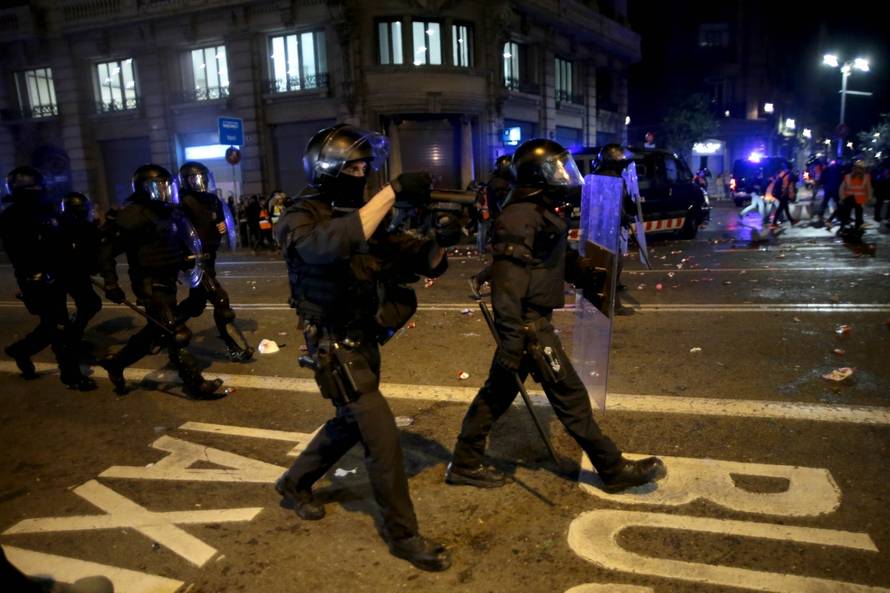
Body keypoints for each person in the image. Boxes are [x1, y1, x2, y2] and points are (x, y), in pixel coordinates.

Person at [274, 124, 458, 571]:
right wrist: (391, 193)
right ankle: (403, 535)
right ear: (328, 169)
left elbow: (413, 257)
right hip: (333, 344)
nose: (361, 174)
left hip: (364, 336)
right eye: (352, 166)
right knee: (380, 436)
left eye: (365, 167)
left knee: (347, 424)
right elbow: (327, 245)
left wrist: (438, 240)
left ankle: (294, 483)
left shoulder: (363, 215)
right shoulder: (299, 217)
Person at [445, 138, 666, 493]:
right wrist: (513, 342)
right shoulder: (520, 217)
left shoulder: (539, 213)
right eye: (556, 169)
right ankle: (611, 469)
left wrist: (583, 273)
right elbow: (508, 286)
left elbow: (549, 260)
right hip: (529, 325)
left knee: (495, 395)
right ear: (537, 175)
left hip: (529, 323)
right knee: (571, 397)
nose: (564, 176)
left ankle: (465, 461)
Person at [97, 164, 225, 399]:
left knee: (156, 331)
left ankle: (116, 363)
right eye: (158, 187)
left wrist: (188, 260)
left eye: (167, 186)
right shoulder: (132, 216)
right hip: (148, 281)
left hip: (167, 279)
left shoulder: (169, 211)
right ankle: (195, 384)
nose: (164, 192)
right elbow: (105, 251)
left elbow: (174, 242)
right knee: (176, 331)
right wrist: (111, 283)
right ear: (144, 189)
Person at [1, 167, 96, 390]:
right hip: (38, 280)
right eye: (30, 189)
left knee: (55, 324)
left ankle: (22, 350)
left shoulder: (48, 210)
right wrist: (40, 271)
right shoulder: (12, 217)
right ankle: (70, 374)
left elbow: (67, 235)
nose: (36, 191)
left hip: (60, 273)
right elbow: (20, 252)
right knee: (58, 326)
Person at [175, 161, 253, 362]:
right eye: (194, 178)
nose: (200, 182)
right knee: (220, 301)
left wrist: (223, 229)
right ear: (185, 181)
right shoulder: (182, 202)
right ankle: (233, 346)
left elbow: (220, 224)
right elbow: (177, 231)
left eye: (202, 177)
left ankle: (167, 325)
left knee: (195, 304)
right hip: (194, 261)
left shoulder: (213, 200)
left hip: (210, 259)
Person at [58, 191, 103, 351]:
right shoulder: (67, 228)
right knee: (90, 304)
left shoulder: (76, 226)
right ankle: (71, 340)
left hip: (75, 274)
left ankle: (71, 335)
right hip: (68, 276)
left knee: (90, 304)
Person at [469, 154, 514, 298]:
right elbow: (505, 205)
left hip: (504, 224)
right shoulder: (500, 184)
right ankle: (479, 279)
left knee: (511, 259)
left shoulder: (500, 182)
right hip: (505, 225)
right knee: (509, 259)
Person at [836, 160, 873, 233]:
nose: (858, 170)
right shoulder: (848, 177)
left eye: (860, 169)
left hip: (860, 200)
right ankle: (843, 226)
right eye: (857, 168)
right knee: (846, 214)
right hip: (849, 199)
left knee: (859, 215)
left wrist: (869, 198)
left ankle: (858, 227)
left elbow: (869, 188)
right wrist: (842, 197)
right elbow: (841, 188)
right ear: (854, 168)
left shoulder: (866, 177)